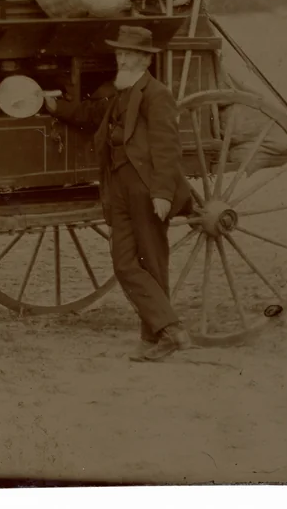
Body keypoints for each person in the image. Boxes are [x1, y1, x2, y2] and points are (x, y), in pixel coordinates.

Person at [45, 25, 195, 361]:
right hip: (119, 187)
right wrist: (56, 108)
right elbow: (89, 114)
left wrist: (163, 194)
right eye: (119, 53)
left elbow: (167, 148)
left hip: (146, 187)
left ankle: (156, 337)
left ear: (143, 59)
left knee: (153, 263)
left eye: (126, 53)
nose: (120, 58)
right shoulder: (120, 94)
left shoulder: (157, 95)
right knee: (125, 264)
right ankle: (170, 330)